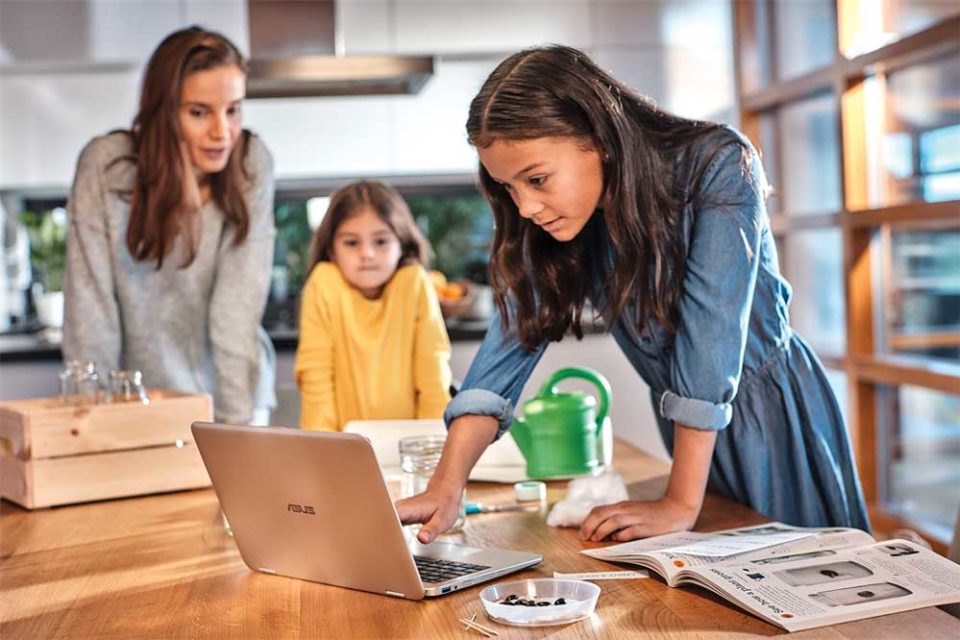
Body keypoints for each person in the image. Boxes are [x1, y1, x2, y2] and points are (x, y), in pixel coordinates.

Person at [396, 45, 870, 544]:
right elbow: (504, 352)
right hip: (689, 435)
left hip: (774, 419)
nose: (527, 206)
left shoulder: (719, 164)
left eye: (536, 179)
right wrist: (446, 486)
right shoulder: (563, 223)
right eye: (509, 189)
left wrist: (679, 503)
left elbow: (710, 342)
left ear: (597, 138)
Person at [63, 26, 276, 425]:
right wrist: (96, 422)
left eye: (233, 110)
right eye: (199, 112)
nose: (222, 132)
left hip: (237, 399)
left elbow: (237, 309)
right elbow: (90, 312)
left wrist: (238, 434)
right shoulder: (107, 170)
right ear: (163, 111)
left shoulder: (251, 165)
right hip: (140, 403)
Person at [295, 180, 452, 431]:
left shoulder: (414, 281)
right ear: (331, 249)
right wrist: (323, 451)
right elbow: (316, 379)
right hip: (343, 449)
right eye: (351, 242)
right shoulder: (323, 283)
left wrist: (433, 443)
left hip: (413, 449)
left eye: (381, 241)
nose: (367, 253)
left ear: (402, 244)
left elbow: (433, 375)